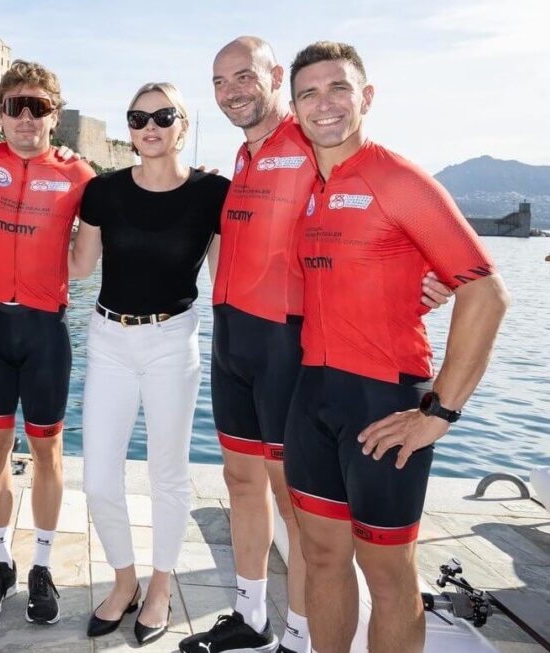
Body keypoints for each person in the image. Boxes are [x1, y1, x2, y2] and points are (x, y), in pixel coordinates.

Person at [180, 37, 454, 653]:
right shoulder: (246, 154)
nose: (233, 91)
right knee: (239, 481)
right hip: (231, 340)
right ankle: (252, 619)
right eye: (221, 81)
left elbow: (385, 219)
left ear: (276, 78)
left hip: (288, 343)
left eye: (245, 76)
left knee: (298, 504)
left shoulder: (312, 144)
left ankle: (301, 637)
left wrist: (423, 277)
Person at [283, 41, 508, 652]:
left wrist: (440, 412)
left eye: (338, 88)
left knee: (387, 576)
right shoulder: (311, 185)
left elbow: (486, 294)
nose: (323, 104)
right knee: (321, 557)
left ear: (367, 97)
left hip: (382, 399)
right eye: (308, 93)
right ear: (294, 107)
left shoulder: (398, 179)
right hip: (312, 397)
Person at [70, 82, 229, 646]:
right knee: (97, 478)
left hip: (172, 340)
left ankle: (160, 584)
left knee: (168, 473)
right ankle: (124, 578)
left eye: (164, 115)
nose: (150, 126)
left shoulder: (214, 193)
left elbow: (227, 278)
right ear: (130, 129)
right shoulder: (102, 191)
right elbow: (79, 267)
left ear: (183, 125)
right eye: (138, 118)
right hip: (109, 339)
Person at [0, 60, 96, 624]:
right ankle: (0, 562)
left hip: (45, 331)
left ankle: (41, 565)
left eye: (36, 107)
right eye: (14, 106)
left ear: (54, 115)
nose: (25, 117)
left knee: (47, 453)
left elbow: (90, 258)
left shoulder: (78, 174)